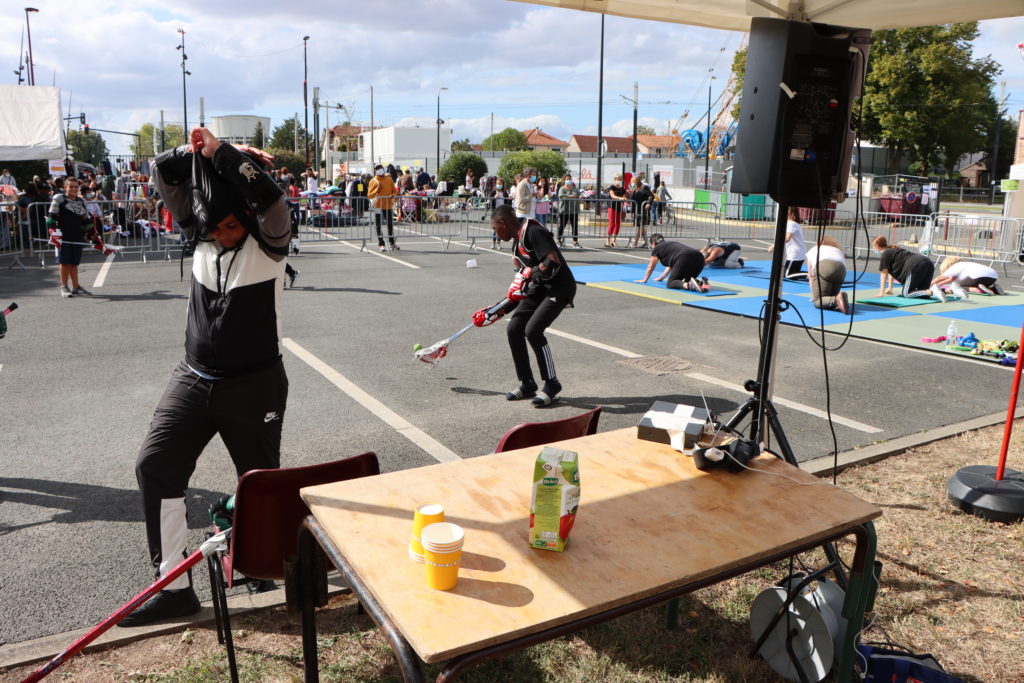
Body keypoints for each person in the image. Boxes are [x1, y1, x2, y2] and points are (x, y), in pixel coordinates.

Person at [120, 127, 291, 627]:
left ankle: (259, 565)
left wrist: (225, 153)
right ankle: (173, 586)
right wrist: (193, 152)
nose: (221, 233)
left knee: (258, 484)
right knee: (155, 466)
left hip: (254, 382)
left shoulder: (270, 242)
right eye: (214, 226)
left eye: (232, 225)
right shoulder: (202, 230)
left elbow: (271, 198)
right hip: (193, 377)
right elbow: (161, 171)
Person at [476, 204, 576, 407]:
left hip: (559, 288)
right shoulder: (516, 246)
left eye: (495, 229)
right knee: (514, 328)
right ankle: (527, 383)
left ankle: (551, 384)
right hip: (539, 289)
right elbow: (521, 289)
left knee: (533, 331)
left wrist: (531, 274)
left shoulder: (532, 231)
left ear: (504, 223)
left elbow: (552, 262)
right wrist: (496, 311)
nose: (495, 233)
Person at [47, 177, 111, 297]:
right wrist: (53, 232)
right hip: (63, 236)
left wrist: (94, 236)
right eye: (71, 186)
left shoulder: (81, 202)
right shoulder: (59, 199)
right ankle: (64, 287)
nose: (74, 189)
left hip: (77, 236)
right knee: (65, 262)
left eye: (76, 187)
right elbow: (51, 218)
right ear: (65, 187)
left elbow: (87, 221)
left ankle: (76, 287)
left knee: (74, 263)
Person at [635, 233, 709, 291]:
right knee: (689, 280)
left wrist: (644, 279)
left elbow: (651, 265)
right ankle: (703, 283)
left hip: (685, 258)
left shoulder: (657, 248)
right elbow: (671, 265)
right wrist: (661, 278)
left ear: (653, 244)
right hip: (700, 258)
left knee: (671, 283)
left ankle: (690, 285)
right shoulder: (671, 245)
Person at [806, 236, 848, 312]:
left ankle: (836, 299)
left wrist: (815, 295)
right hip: (841, 270)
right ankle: (838, 299)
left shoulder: (814, 249)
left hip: (824, 267)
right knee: (831, 298)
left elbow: (811, 277)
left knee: (818, 301)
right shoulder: (837, 250)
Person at [930, 256, 1004, 300]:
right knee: (961, 282)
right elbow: (950, 279)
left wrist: (929, 284)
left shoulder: (955, 267)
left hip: (978, 277)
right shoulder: (966, 265)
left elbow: (939, 278)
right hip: (992, 277)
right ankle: (993, 288)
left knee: (958, 286)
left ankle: (977, 289)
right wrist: (937, 285)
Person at [768, 207, 807, 277]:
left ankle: (810, 274)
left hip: (795, 254)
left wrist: (774, 246)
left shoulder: (791, 224)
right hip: (798, 253)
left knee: (787, 275)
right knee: (793, 272)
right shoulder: (794, 224)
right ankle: (809, 274)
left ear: (791, 214)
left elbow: (787, 238)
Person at [368, 164, 398, 251]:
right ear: (375, 170)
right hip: (377, 205)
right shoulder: (373, 181)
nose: (379, 170)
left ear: (383, 169)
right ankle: (381, 244)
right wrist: (376, 190)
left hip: (388, 205)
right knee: (378, 225)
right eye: (377, 169)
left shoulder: (389, 179)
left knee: (390, 224)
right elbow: (369, 195)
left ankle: (392, 243)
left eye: (380, 168)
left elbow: (395, 191)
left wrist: (391, 195)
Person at [627, 177, 653, 249]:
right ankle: (646, 242)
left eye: (632, 182)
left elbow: (651, 196)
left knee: (640, 226)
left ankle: (635, 243)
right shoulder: (635, 189)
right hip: (637, 210)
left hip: (643, 209)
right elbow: (632, 200)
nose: (631, 184)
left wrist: (648, 203)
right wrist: (632, 211)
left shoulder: (644, 187)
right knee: (640, 227)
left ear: (636, 182)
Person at [557, 175, 580, 249]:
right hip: (564, 210)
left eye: (570, 179)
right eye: (567, 179)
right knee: (562, 226)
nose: (568, 180)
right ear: (564, 180)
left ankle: (575, 241)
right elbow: (561, 196)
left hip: (573, 210)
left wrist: (570, 196)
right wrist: (569, 196)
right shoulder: (562, 188)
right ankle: (558, 240)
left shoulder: (574, 189)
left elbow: (577, 194)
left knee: (575, 226)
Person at [605, 174, 626, 247]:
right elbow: (612, 196)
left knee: (618, 223)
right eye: (617, 179)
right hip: (612, 206)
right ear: (614, 179)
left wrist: (625, 196)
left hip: (619, 207)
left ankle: (614, 240)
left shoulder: (622, 188)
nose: (619, 180)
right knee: (612, 222)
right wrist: (621, 198)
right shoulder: (612, 187)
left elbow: (625, 195)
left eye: (620, 179)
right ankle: (607, 240)